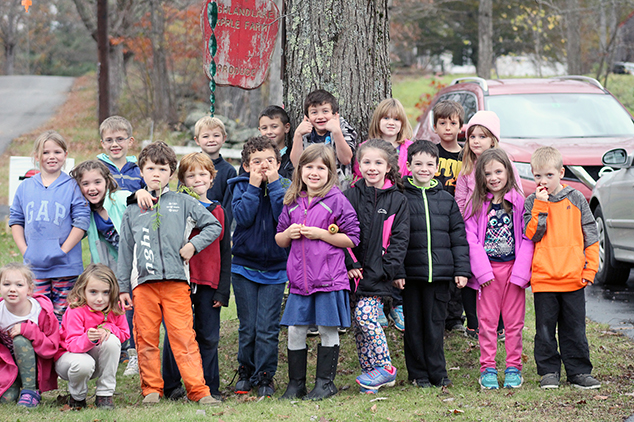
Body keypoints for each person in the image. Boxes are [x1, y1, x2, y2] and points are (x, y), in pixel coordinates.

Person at [117, 141, 222, 405]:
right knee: (146, 337)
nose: (156, 174)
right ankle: (152, 389)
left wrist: (192, 246)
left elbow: (213, 225)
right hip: (143, 285)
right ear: (141, 171)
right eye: (150, 168)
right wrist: (122, 288)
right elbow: (125, 251)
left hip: (176, 284)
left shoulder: (184, 202)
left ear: (171, 173)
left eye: (162, 169)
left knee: (184, 337)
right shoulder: (132, 208)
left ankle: (199, 391)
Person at [276, 144, 360, 400]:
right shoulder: (292, 201)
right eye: (309, 167)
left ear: (330, 172)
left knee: (326, 328)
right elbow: (279, 238)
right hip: (300, 282)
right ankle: (296, 384)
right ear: (300, 170)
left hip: (329, 279)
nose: (314, 172)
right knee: (295, 330)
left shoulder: (337, 200)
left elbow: (353, 238)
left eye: (320, 168)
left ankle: (325, 384)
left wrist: (324, 235)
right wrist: (287, 235)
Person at [524, 146, 601, 390]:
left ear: (561, 172)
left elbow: (591, 235)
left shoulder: (576, 198)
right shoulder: (532, 202)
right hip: (544, 279)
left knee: (574, 329)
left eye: (549, 175)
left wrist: (589, 270)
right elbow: (533, 234)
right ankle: (548, 371)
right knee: (544, 331)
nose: (543, 181)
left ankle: (578, 372)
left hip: (573, 279)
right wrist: (541, 205)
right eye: (537, 176)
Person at [400, 140, 470, 388]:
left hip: (440, 275)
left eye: (429, 164)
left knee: (435, 325)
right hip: (410, 275)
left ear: (437, 166)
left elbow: (458, 237)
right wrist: (397, 270)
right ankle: (418, 373)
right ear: (408, 166)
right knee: (414, 325)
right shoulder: (400, 198)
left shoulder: (446, 200)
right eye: (418, 163)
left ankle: (438, 372)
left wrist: (462, 270)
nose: (424, 168)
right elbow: (395, 238)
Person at [161, 152, 231, 401]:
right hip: (179, 281)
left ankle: (210, 386)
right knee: (176, 333)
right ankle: (170, 385)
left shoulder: (218, 211)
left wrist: (223, 290)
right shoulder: (174, 208)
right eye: (190, 175)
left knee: (208, 336)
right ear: (182, 181)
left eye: (202, 174)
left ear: (212, 179)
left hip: (209, 283)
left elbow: (225, 252)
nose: (197, 179)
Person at [464, 148, 534, 389]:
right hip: (488, 274)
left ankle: (514, 367)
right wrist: (482, 272)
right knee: (487, 323)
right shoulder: (476, 205)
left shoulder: (519, 202)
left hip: (514, 272)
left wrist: (522, 273)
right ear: (480, 177)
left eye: (498, 171)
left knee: (514, 324)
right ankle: (488, 368)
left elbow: (528, 238)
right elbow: (471, 240)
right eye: (488, 173)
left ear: (508, 172)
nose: (493, 177)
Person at [344, 139, 410, 394]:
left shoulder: (397, 200)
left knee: (366, 316)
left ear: (389, 166)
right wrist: (350, 263)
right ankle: (370, 374)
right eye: (367, 162)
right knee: (358, 326)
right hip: (354, 274)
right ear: (359, 165)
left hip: (379, 276)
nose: (372, 168)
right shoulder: (350, 195)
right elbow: (340, 232)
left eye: (378, 163)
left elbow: (400, 240)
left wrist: (387, 271)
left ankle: (385, 367)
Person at [227, 136, 290, 397]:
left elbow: (282, 218)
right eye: (256, 162)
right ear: (245, 166)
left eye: (269, 161)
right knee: (248, 326)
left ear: (278, 163)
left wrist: (274, 184)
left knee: (267, 327)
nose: (263, 166)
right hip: (244, 267)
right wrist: (253, 186)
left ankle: (265, 376)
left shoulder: (286, 186)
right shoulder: (239, 186)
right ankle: (245, 371)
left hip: (275, 269)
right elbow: (242, 217)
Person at [9, 130, 90, 322]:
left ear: (65, 155)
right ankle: (42, 351)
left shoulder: (72, 186)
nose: (51, 157)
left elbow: (81, 221)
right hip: (35, 266)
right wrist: (25, 250)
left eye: (57, 152)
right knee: (38, 314)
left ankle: (62, 351)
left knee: (63, 315)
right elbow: (16, 220)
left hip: (66, 266)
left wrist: (63, 250)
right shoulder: (25, 187)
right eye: (45, 152)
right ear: (36, 156)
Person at [69, 160, 139, 376]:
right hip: (112, 265)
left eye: (97, 182)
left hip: (137, 260)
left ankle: (138, 354)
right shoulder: (86, 211)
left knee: (140, 308)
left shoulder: (118, 199)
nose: (92, 188)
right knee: (122, 306)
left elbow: (133, 198)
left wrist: (141, 194)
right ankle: (126, 351)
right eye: (85, 184)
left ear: (107, 182)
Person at [353, 98, 414, 331]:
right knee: (373, 249)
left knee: (398, 250)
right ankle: (375, 301)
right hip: (373, 203)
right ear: (377, 121)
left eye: (396, 119)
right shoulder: (365, 146)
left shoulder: (408, 146)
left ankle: (397, 302)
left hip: (399, 202)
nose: (391, 122)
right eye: (386, 118)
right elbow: (361, 174)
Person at [455, 111, 513, 341]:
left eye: (482, 136)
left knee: (496, 280)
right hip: (472, 232)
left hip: (498, 233)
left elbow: (515, 196)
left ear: (493, 140)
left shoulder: (504, 166)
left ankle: (498, 325)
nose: (476, 141)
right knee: (472, 277)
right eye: (472, 136)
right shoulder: (467, 172)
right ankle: (473, 323)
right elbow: (460, 204)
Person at [55, 264, 130, 410]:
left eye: (106, 292)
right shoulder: (75, 310)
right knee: (84, 363)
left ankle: (105, 395)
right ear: (82, 290)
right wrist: (88, 338)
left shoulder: (115, 307)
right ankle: (77, 397)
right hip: (68, 360)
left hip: (95, 359)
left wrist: (109, 328)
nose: (100, 299)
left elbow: (124, 334)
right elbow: (71, 344)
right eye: (93, 292)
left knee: (112, 340)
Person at [0, 263, 59, 408]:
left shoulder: (41, 312)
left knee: (20, 340)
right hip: (9, 367)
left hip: (35, 368)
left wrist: (29, 330)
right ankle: (13, 384)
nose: (12, 289)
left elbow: (51, 348)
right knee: (6, 399)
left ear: (30, 289)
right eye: (6, 284)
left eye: (19, 285)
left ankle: (30, 391)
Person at [431, 100, 467, 334]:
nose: (447, 128)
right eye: (442, 123)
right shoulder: (430, 153)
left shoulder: (466, 155)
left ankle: (455, 318)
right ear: (435, 126)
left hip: (459, 217)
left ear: (460, 126)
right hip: (434, 217)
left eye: (452, 123)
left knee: (458, 266)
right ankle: (438, 314)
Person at [290, 89, 358, 189]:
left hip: (338, 189)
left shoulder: (343, 128)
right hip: (310, 189)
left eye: (325, 111)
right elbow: (297, 163)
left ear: (335, 115)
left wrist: (337, 132)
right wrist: (297, 135)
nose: (320, 117)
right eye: (314, 112)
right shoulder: (304, 131)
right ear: (307, 117)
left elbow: (346, 159)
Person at [194, 116, 238, 225]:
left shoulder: (229, 171)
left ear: (224, 138)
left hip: (217, 226)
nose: (211, 140)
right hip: (192, 224)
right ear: (197, 140)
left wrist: (222, 229)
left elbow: (228, 206)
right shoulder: (190, 167)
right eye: (205, 136)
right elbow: (182, 198)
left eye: (216, 135)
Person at [97, 115, 146, 192]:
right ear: (103, 143)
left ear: (130, 141)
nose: (114, 144)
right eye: (109, 140)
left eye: (120, 139)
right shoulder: (97, 170)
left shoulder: (139, 172)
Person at [258, 105, 294, 179]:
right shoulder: (253, 156)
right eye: (264, 128)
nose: (269, 132)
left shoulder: (292, 157)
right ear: (260, 130)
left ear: (286, 128)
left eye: (274, 127)